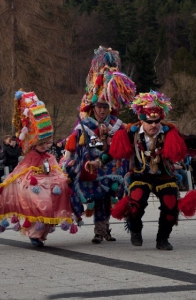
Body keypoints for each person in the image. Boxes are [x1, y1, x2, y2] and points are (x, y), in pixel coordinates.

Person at [89, 90, 196, 250]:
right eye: (149, 122)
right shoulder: (131, 132)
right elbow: (113, 151)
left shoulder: (169, 131)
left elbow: (190, 139)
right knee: (135, 203)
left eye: (156, 121)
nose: (153, 125)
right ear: (141, 119)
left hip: (165, 177)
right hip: (140, 176)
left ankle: (162, 239)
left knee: (171, 206)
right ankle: (135, 229)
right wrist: (97, 162)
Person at [62, 46, 135, 244]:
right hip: (92, 167)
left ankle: (104, 230)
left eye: (105, 107)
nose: (102, 111)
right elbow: (75, 146)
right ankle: (99, 230)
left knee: (109, 199)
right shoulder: (85, 125)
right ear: (93, 108)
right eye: (99, 107)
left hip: (112, 168)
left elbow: (123, 146)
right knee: (97, 199)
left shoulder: (118, 125)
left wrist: (109, 141)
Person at [0, 90, 76, 247]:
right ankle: (34, 234)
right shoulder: (30, 157)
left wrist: (58, 178)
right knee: (40, 200)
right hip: (35, 190)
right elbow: (22, 172)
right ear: (34, 144)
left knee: (56, 193)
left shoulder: (49, 157)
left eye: (47, 143)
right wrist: (36, 178)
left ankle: (41, 234)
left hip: (49, 187)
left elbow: (56, 170)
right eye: (41, 144)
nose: (45, 146)